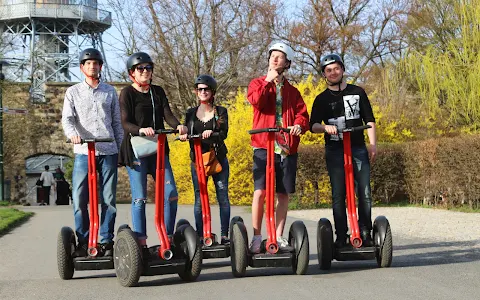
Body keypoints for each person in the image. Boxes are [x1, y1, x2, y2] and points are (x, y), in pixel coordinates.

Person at [118, 52, 187, 249]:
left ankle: (168, 238)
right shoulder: (127, 93)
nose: (146, 72)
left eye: (148, 68)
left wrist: (179, 127)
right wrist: (140, 130)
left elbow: (168, 114)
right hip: (136, 150)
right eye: (141, 69)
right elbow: (125, 122)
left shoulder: (157, 91)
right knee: (140, 198)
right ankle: (140, 242)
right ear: (132, 73)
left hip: (158, 149)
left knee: (171, 193)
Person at [246, 42, 309, 253]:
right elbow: (256, 102)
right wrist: (267, 82)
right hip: (264, 145)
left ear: (287, 63)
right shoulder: (257, 83)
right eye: (272, 55)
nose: (275, 59)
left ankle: (279, 236)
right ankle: (256, 237)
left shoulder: (293, 91)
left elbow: (302, 114)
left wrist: (299, 125)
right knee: (261, 192)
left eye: (280, 57)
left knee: (283, 194)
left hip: (286, 147)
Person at [309, 54, 377, 247]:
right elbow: (312, 125)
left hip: (357, 148)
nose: (333, 73)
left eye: (336, 68)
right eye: (328, 70)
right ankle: (341, 235)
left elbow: (369, 120)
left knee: (364, 191)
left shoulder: (358, 92)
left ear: (343, 69)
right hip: (335, 150)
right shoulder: (321, 99)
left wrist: (372, 144)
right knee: (339, 193)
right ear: (324, 74)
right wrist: (324, 128)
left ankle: (365, 231)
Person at [62, 48, 123, 257]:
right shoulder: (73, 92)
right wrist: (72, 135)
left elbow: (116, 123)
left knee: (109, 199)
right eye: (88, 63)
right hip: (82, 152)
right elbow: (68, 119)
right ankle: (84, 240)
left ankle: (106, 241)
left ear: (100, 66)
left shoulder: (110, 91)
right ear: (82, 67)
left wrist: (121, 147)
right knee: (79, 198)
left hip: (108, 151)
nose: (92, 66)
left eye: (96, 63)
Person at [179, 75, 231, 245]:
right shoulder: (190, 113)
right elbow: (186, 129)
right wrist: (183, 135)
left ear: (212, 92)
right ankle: (201, 235)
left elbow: (223, 133)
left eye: (206, 89)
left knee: (222, 196)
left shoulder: (220, 111)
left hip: (217, 160)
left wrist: (213, 133)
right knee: (199, 198)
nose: (203, 92)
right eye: (199, 89)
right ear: (196, 92)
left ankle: (224, 235)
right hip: (198, 161)